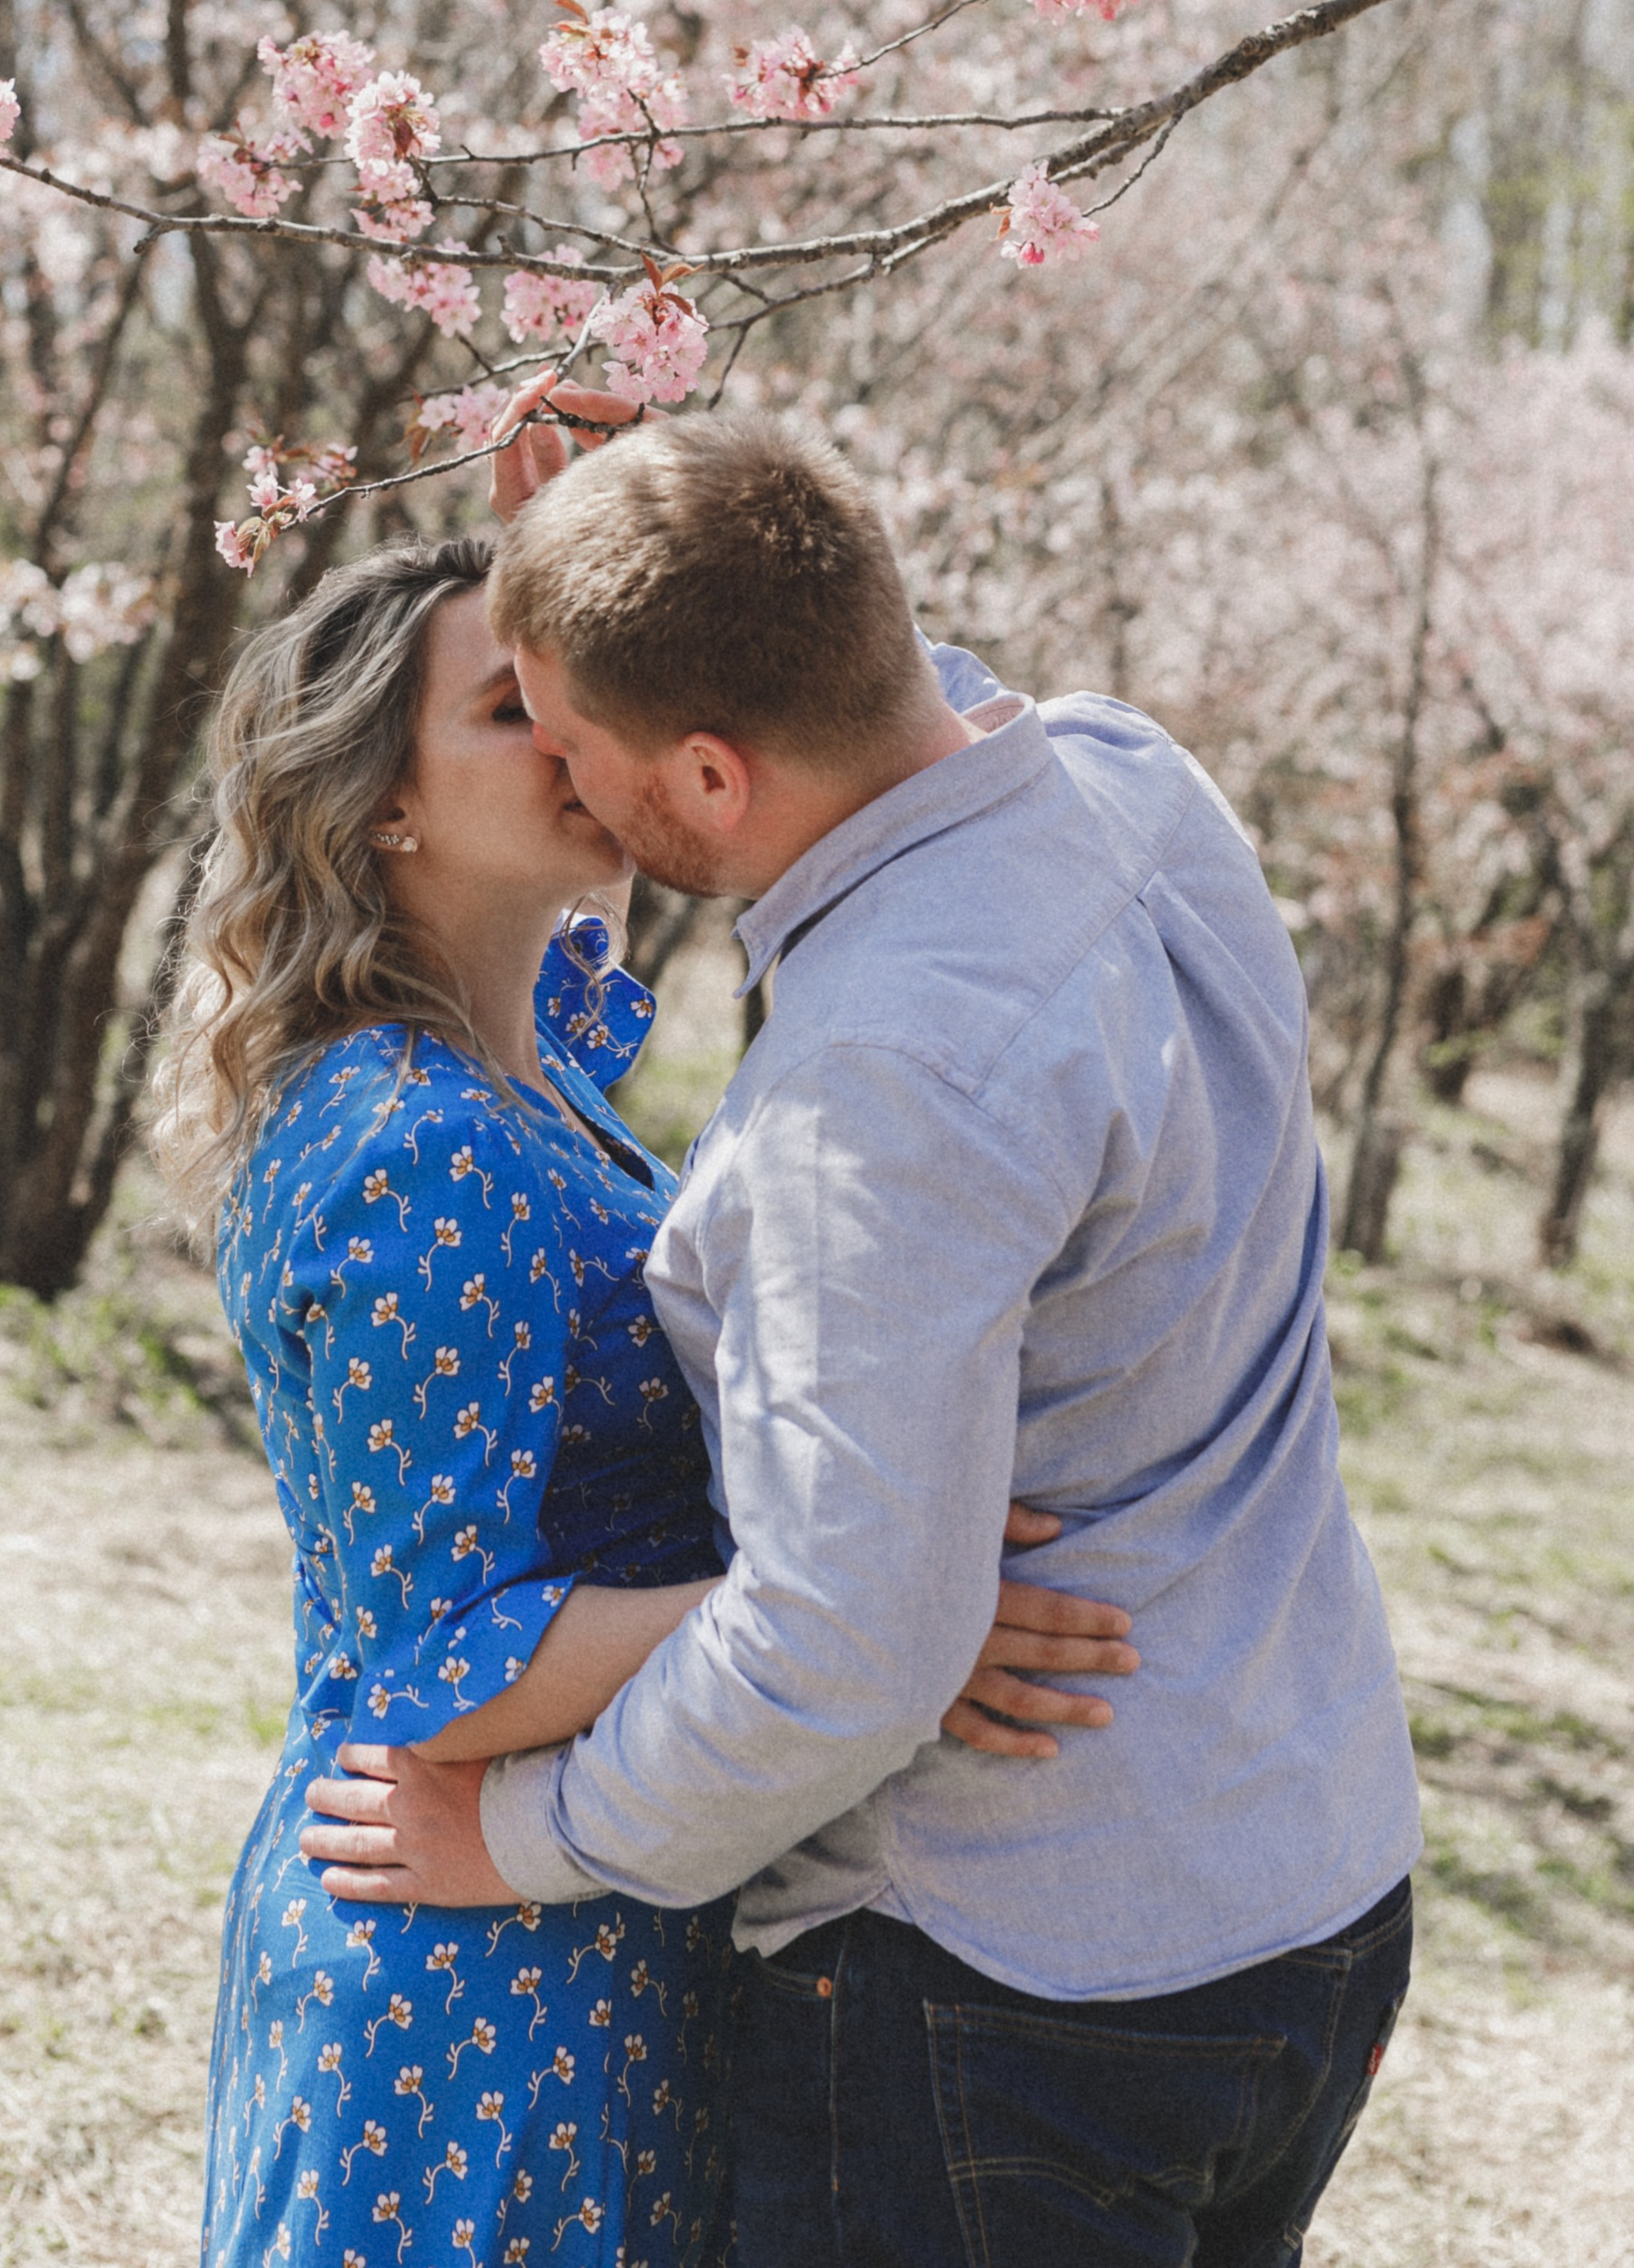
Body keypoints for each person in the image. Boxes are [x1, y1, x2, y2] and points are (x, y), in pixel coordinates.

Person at [300, 411, 1424, 2268]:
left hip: (1015, 1981)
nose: (574, 793)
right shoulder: (1129, 784)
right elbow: (871, 686)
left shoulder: (877, 1089)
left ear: (716, 781)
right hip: (1304, 1868)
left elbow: (844, 1649)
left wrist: (522, 1835)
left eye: (574, 743)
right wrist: (628, 543)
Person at [158, 531, 1141, 2268]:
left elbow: (841, 720)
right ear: (381, 797)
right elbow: (437, 1664)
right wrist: (879, 1610)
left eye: (570, 694)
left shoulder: (518, 1042)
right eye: (507, 709)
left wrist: (655, 543)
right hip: (465, 1967)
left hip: (593, 1908)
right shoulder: (415, 1148)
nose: (573, 735)